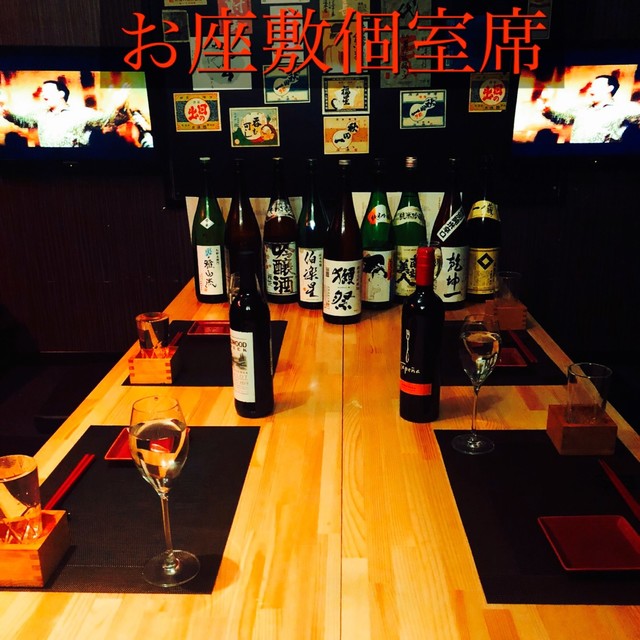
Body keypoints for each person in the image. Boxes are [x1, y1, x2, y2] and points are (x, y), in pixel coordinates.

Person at [0, 78, 129, 148]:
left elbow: (110, 120)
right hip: (49, 166)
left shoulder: (81, 113)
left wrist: (120, 107)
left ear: (61, 94)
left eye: (47, 91)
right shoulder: (40, 114)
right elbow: (23, 121)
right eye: (42, 92)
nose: (43, 94)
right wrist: (8, 114)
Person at [539, 74, 640, 143]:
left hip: (607, 158)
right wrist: (547, 111)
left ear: (610, 88)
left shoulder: (624, 109)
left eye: (596, 86)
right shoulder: (580, 109)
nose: (591, 89)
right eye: (592, 86)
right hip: (577, 155)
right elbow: (562, 118)